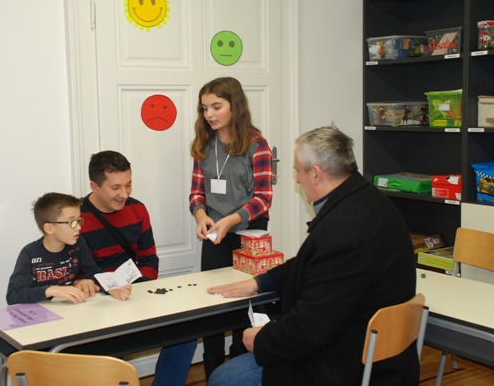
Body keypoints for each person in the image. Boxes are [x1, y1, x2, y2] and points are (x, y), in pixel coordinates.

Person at [206, 125, 418, 386]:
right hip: (371, 352)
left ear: (316, 174)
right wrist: (259, 282)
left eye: (298, 170)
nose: (297, 179)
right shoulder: (367, 201)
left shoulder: (344, 233)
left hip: (345, 365)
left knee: (224, 378)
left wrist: (261, 339)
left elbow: (308, 329)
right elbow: (315, 263)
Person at [73, 150, 196, 386]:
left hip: (134, 293)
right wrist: (100, 290)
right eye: (116, 187)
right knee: (110, 353)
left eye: (128, 185)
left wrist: (140, 290)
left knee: (186, 331)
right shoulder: (76, 218)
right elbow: (74, 272)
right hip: (96, 302)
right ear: (95, 186)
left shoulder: (137, 209)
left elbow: (149, 259)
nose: (124, 194)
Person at [189, 76, 274, 378]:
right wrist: (201, 215)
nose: (209, 114)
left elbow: (263, 199)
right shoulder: (204, 143)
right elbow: (196, 193)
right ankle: (212, 369)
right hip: (215, 233)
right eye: (204, 108)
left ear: (234, 106)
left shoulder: (256, 145)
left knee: (246, 302)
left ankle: (239, 368)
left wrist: (230, 220)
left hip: (249, 233)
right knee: (213, 301)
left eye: (216, 106)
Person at [7, 192, 131, 305]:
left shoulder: (78, 245)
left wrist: (111, 287)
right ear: (49, 228)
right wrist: (51, 291)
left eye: (79, 220)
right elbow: (14, 295)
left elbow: (93, 273)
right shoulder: (30, 253)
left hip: (69, 311)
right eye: (72, 222)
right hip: (39, 315)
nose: (78, 227)